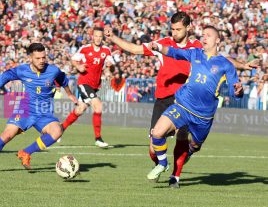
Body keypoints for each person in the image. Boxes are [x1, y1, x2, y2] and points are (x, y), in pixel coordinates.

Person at [105, 12, 256, 188]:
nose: (174, 32)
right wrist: (113, 37)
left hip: (185, 101)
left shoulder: (198, 47)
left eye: (178, 29)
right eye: (173, 29)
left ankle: (175, 177)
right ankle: (161, 163)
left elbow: (221, 59)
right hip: (163, 99)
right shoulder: (163, 43)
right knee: (153, 148)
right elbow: (134, 49)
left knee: (182, 139)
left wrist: (242, 65)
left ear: (188, 28)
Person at [146, 25, 243, 181]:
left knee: (195, 146)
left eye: (208, 35)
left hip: (203, 116)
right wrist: (158, 46)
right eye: (203, 35)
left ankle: (190, 151)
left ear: (217, 40)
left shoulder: (225, 64)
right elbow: (173, 52)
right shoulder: (195, 53)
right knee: (156, 133)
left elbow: (235, 92)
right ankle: (162, 163)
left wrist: (238, 90)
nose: (204, 38)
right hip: (183, 106)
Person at [0, 43, 77, 172]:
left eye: (44, 57)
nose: (42, 61)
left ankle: (26, 152)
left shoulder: (53, 70)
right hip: (25, 108)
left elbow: (63, 79)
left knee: (57, 131)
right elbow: (5, 76)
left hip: (44, 111)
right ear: (30, 58)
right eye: (38, 58)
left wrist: (70, 94)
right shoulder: (22, 70)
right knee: (7, 134)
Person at [61, 27, 115, 148]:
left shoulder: (106, 50)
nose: (98, 38)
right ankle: (98, 138)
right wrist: (79, 66)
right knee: (98, 105)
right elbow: (74, 60)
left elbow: (109, 66)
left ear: (102, 38)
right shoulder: (85, 49)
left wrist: (108, 70)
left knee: (80, 109)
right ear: (92, 36)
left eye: (100, 36)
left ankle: (60, 129)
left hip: (95, 85)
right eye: (96, 36)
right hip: (84, 83)